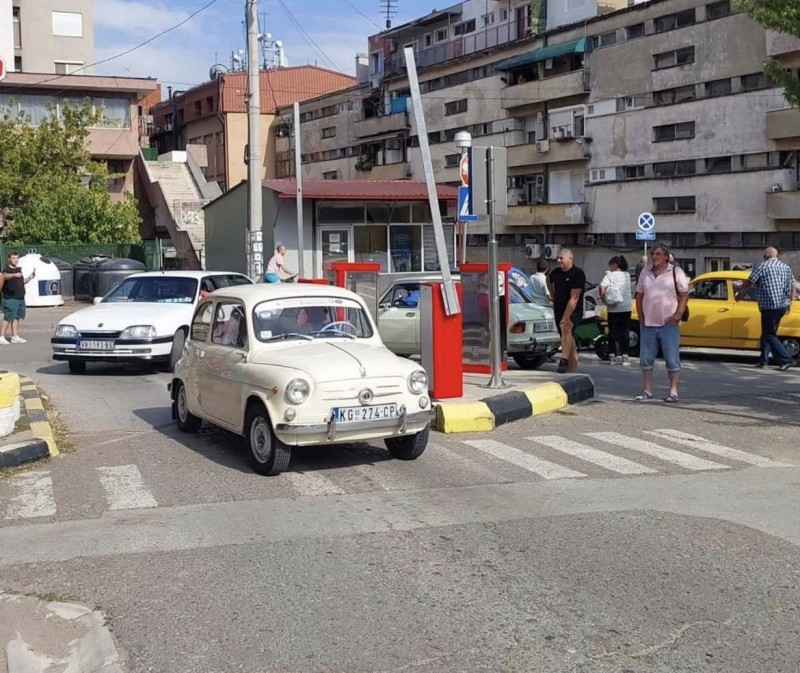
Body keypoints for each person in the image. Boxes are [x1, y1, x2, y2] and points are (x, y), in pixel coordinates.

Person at [634, 243, 689, 403]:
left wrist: (677, 315)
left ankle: (673, 391)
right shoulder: (645, 272)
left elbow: (684, 295)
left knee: (672, 359)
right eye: (653, 254)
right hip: (648, 324)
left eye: (658, 254)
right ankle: (647, 390)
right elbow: (639, 295)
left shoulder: (675, 271)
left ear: (666, 256)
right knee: (646, 359)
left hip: (668, 324)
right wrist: (641, 316)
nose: (654, 257)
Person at [734, 247, 795, 371]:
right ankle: (763, 360)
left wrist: (740, 294)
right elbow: (792, 286)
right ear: (776, 255)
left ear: (765, 256)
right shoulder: (785, 267)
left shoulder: (762, 267)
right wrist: (790, 303)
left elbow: (749, 282)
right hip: (782, 306)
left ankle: (786, 359)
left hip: (769, 306)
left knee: (769, 334)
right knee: (768, 333)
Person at [548, 248, 585, 373]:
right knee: (569, 341)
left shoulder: (577, 273)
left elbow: (574, 298)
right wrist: (553, 296)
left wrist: (566, 317)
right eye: (557, 258)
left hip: (573, 310)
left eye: (561, 258)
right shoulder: (555, 273)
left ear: (570, 259)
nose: (558, 261)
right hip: (558, 309)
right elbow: (549, 281)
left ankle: (563, 360)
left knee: (566, 327)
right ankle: (572, 371)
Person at [599, 255, 632, 365]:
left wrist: (603, 299)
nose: (609, 267)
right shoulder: (627, 275)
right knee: (625, 331)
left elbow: (601, 286)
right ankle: (625, 355)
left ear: (615, 265)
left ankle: (612, 355)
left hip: (613, 308)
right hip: (626, 307)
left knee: (613, 332)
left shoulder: (610, 275)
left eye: (610, 265)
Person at [1, 252, 35, 345]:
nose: (15, 260)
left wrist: (30, 277)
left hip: (20, 297)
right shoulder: (7, 270)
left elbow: (21, 282)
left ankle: (15, 336)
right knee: (8, 317)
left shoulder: (18, 270)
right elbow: (4, 276)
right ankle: (1, 336)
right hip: (10, 298)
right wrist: (14, 275)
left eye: (17, 258)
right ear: (9, 259)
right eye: (13, 258)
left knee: (17, 317)